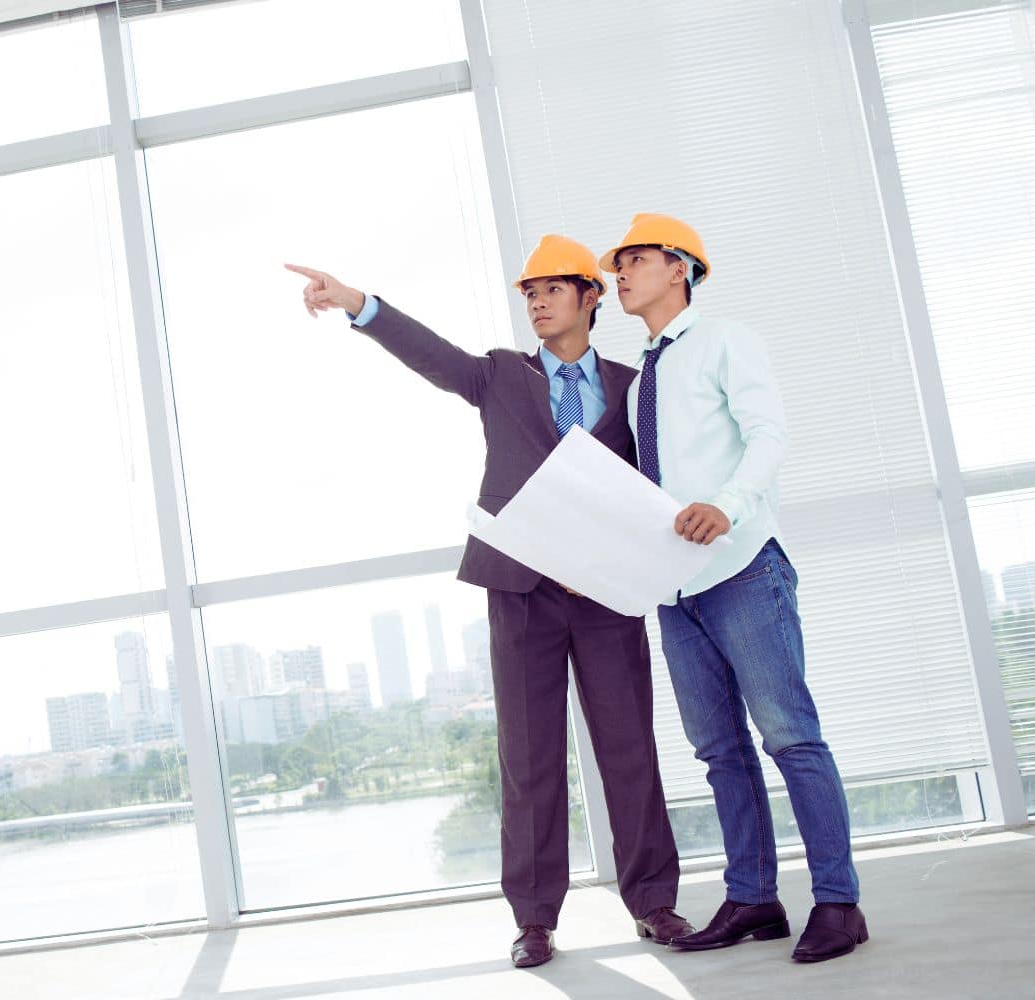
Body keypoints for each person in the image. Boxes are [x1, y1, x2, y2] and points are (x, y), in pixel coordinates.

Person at [285, 236, 689, 970]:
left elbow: (658, 480)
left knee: (629, 750)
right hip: (521, 593)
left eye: (551, 290)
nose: (535, 302)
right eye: (527, 293)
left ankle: (655, 904)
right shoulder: (501, 376)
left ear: (590, 296)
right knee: (529, 759)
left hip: (606, 596)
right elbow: (432, 355)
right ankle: (534, 919)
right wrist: (355, 304)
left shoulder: (635, 387)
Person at [604, 213, 869, 963]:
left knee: (791, 738)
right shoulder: (639, 382)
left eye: (635, 260)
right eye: (617, 264)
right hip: (677, 592)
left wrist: (728, 504)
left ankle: (839, 903)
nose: (619, 274)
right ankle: (753, 897)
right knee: (720, 752)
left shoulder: (725, 341)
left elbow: (769, 436)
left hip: (744, 569)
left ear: (679, 267)